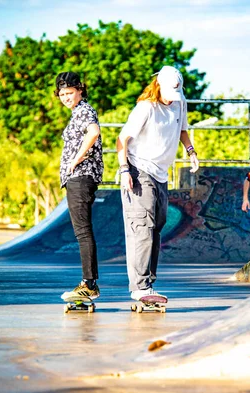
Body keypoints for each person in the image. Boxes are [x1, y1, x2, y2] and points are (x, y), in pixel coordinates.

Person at [116, 65, 199, 302]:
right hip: (138, 169)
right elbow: (122, 139)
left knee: (158, 226)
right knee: (143, 227)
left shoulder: (180, 103)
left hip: (161, 173)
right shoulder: (146, 108)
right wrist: (124, 170)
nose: (172, 100)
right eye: (169, 94)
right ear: (158, 85)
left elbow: (183, 131)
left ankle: (148, 283)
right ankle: (140, 287)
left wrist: (191, 151)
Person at [55, 72, 104, 300]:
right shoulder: (79, 112)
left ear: (80, 90)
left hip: (81, 176)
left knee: (83, 231)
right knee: (82, 230)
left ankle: (89, 283)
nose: (66, 98)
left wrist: (75, 159)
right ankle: (88, 281)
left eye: (70, 93)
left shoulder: (84, 110)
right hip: (79, 177)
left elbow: (94, 132)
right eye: (62, 94)